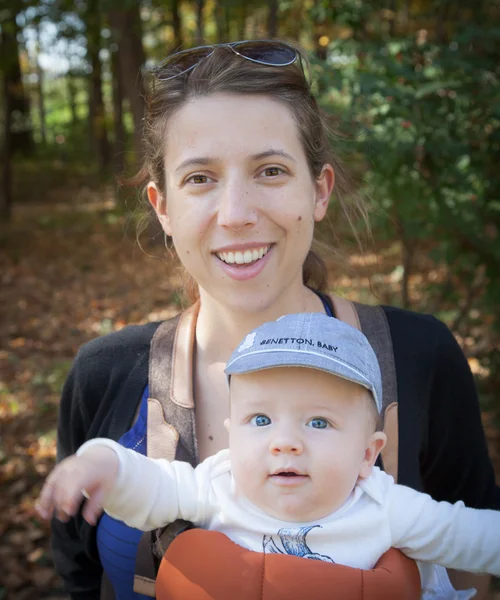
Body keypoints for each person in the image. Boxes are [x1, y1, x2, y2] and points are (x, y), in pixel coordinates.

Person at [49, 40, 500, 600]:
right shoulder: (102, 375)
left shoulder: (420, 355)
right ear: (161, 206)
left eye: (269, 170)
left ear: (319, 190)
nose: (237, 214)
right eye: (200, 178)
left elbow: (482, 564)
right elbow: (79, 577)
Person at [38, 313, 500, 600]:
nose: (286, 442)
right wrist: (104, 462)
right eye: (260, 420)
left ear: (367, 453)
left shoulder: (385, 509)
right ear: (231, 435)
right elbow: (153, 485)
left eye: (318, 423)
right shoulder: (220, 485)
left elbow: (474, 536)